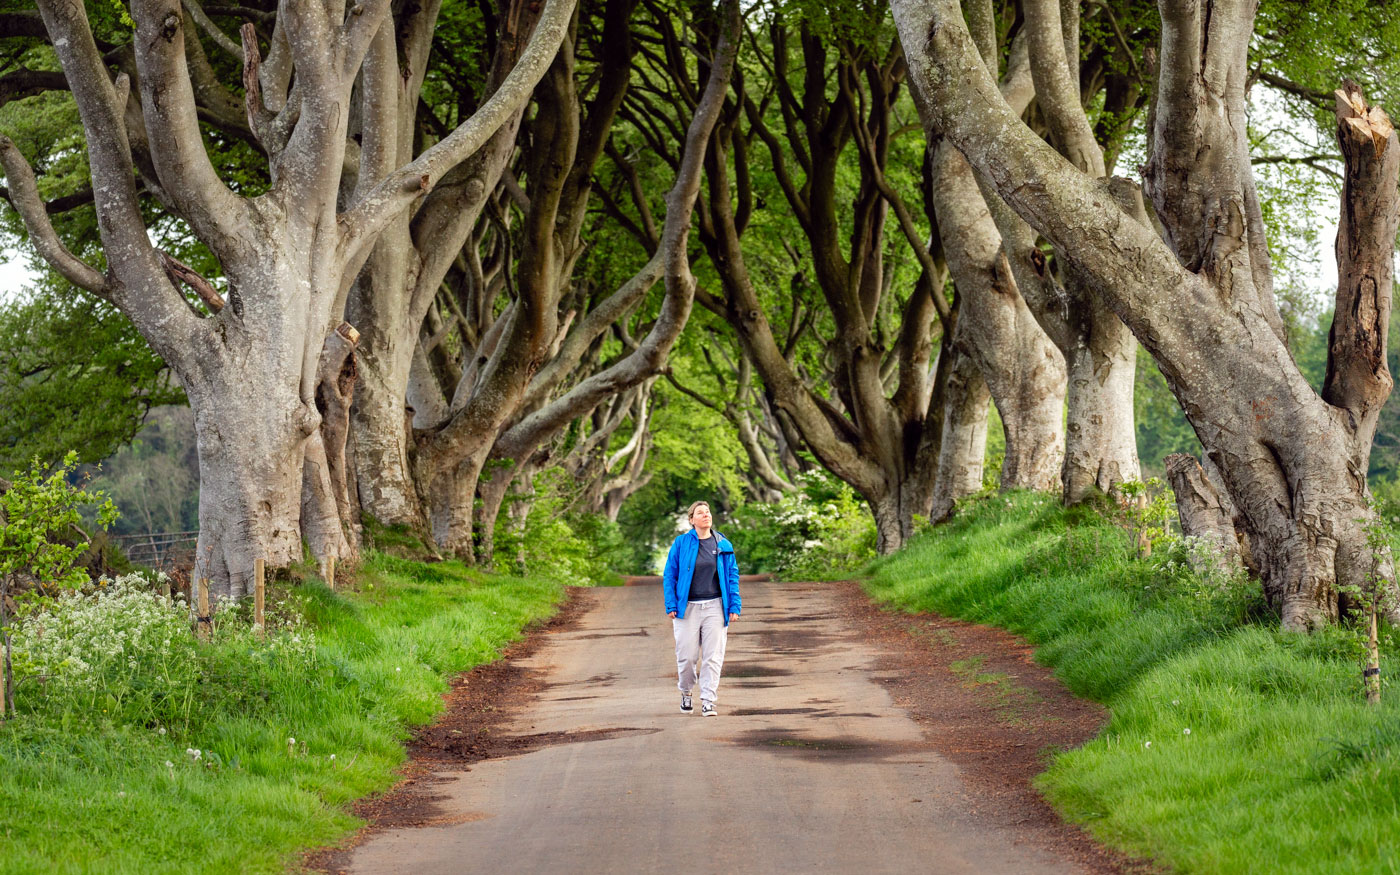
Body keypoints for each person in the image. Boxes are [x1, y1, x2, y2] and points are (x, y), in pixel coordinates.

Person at [662, 500, 740, 717]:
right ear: (691, 520)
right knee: (687, 657)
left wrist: (734, 605)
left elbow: (732, 576)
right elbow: (670, 575)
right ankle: (686, 692)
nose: (706, 515)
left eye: (708, 512)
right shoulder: (681, 543)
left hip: (715, 606)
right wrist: (671, 604)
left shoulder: (723, 543)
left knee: (713, 656)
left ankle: (708, 700)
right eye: (700, 513)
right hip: (687, 608)